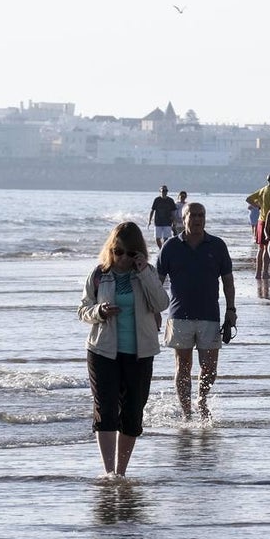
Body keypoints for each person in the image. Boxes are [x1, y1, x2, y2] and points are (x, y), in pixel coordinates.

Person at [78, 222, 169, 476]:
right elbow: (83, 310)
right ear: (111, 249)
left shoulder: (146, 272)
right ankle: (109, 473)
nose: (123, 258)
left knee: (132, 413)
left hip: (139, 353)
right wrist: (99, 311)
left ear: (138, 253)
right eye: (118, 251)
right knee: (105, 410)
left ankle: (121, 471)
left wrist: (143, 273)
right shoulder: (99, 274)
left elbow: (161, 303)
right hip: (102, 351)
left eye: (130, 253)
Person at [156, 203, 236, 420]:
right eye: (193, 215)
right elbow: (157, 283)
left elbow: (228, 281)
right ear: (184, 218)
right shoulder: (170, 246)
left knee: (209, 368)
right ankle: (186, 411)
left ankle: (201, 399)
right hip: (179, 315)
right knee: (183, 366)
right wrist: (153, 311)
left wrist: (231, 310)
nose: (198, 219)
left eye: (202, 215)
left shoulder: (217, 245)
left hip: (210, 315)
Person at [246, 174, 270, 280]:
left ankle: (258, 273)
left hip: (260, 221)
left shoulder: (263, 190)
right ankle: (265, 272)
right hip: (267, 222)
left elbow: (249, 199)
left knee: (261, 249)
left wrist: (259, 206)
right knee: (266, 248)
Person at [148, 185, 177, 249]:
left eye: (166, 191)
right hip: (158, 222)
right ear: (160, 191)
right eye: (163, 190)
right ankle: (161, 249)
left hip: (167, 222)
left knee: (166, 238)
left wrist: (174, 222)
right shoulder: (157, 200)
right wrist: (149, 220)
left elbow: (173, 212)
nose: (164, 192)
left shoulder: (170, 200)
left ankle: (163, 250)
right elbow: (152, 210)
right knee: (157, 238)